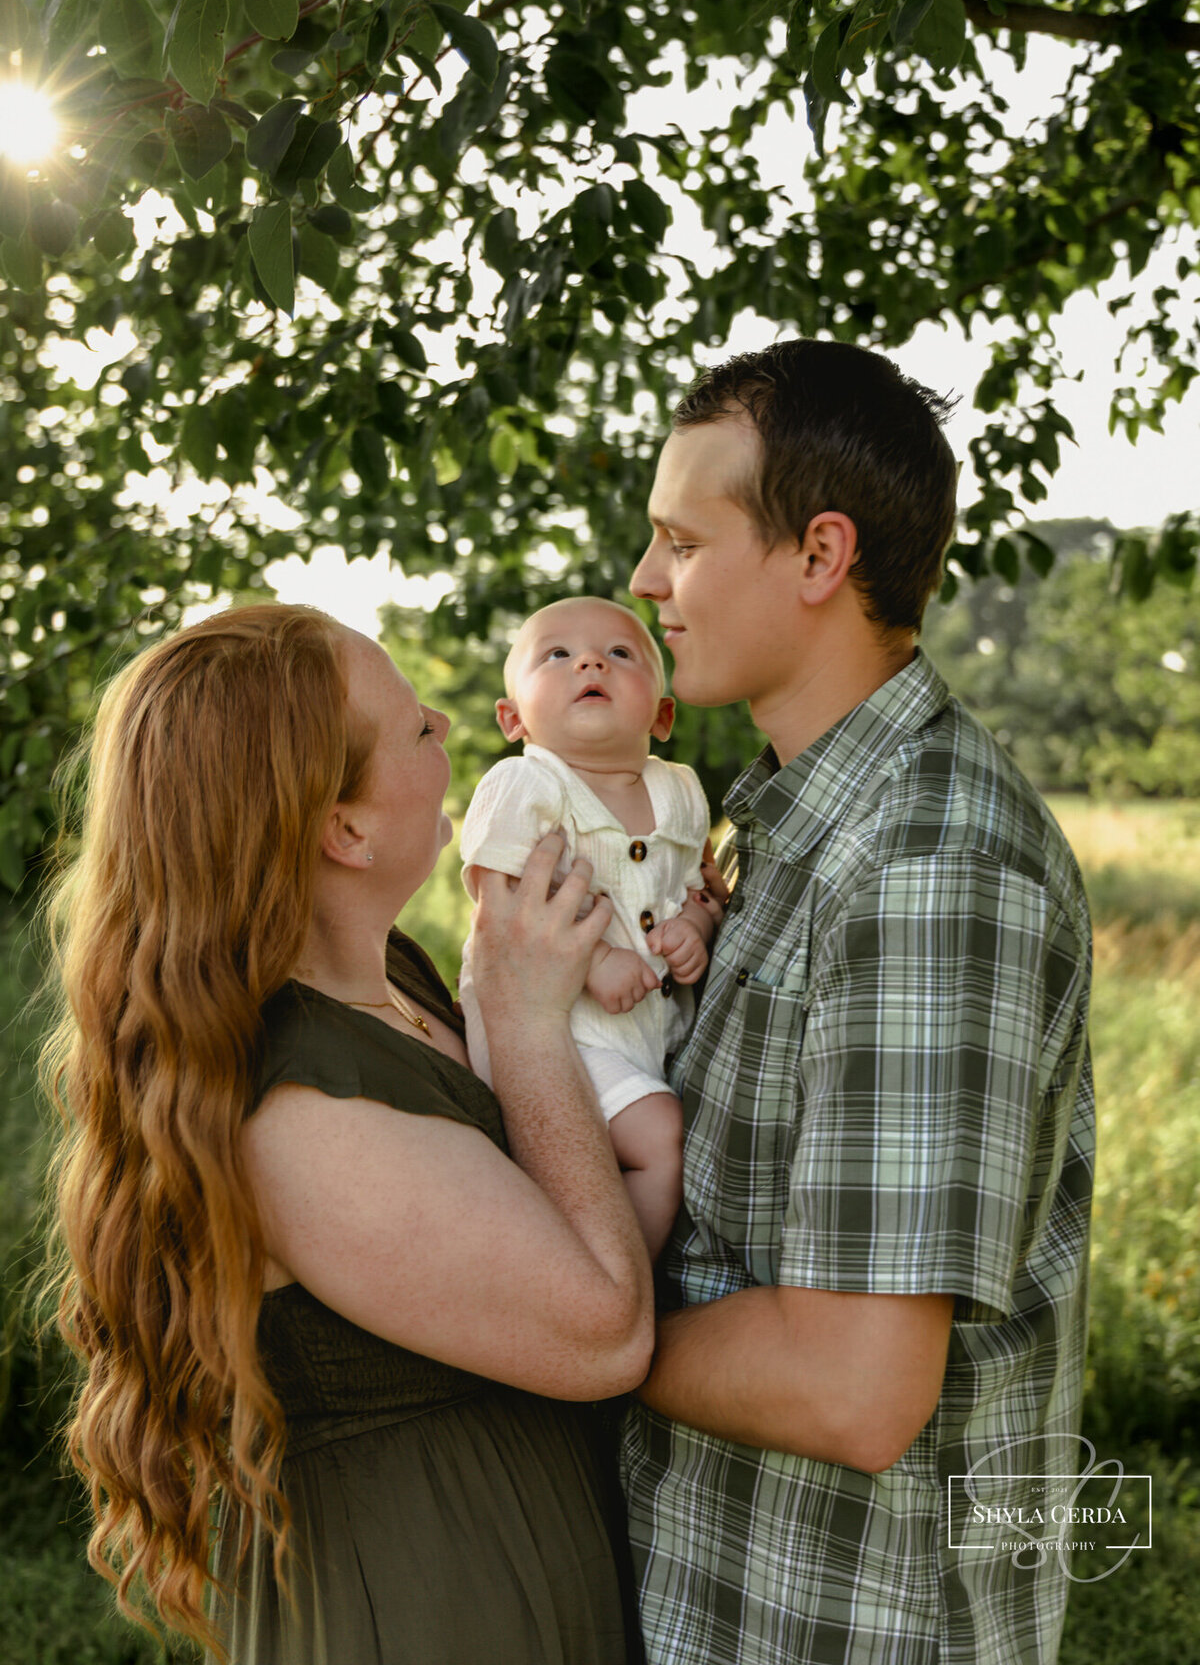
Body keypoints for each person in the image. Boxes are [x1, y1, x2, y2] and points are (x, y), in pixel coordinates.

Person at [41, 602, 655, 1665]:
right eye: (416, 726)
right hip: (429, 1602)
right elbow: (604, 1332)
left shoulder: (392, 981)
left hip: (514, 1559)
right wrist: (523, 1021)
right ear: (346, 830)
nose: (447, 726)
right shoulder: (298, 1111)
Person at [622, 339, 1094, 1665]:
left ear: (819, 558)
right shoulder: (788, 831)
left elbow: (853, 1389)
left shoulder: (933, 866)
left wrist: (561, 1321)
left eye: (683, 542)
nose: (650, 583)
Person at [458, 597, 716, 1256]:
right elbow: (499, 892)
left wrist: (695, 925)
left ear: (661, 715)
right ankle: (613, 1286)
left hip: (646, 1039)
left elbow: (694, 886)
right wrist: (597, 955)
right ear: (514, 718)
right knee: (665, 1143)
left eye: (620, 654)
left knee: (651, 1142)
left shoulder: (681, 792)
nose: (591, 661)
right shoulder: (525, 783)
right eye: (557, 655)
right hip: (557, 1037)